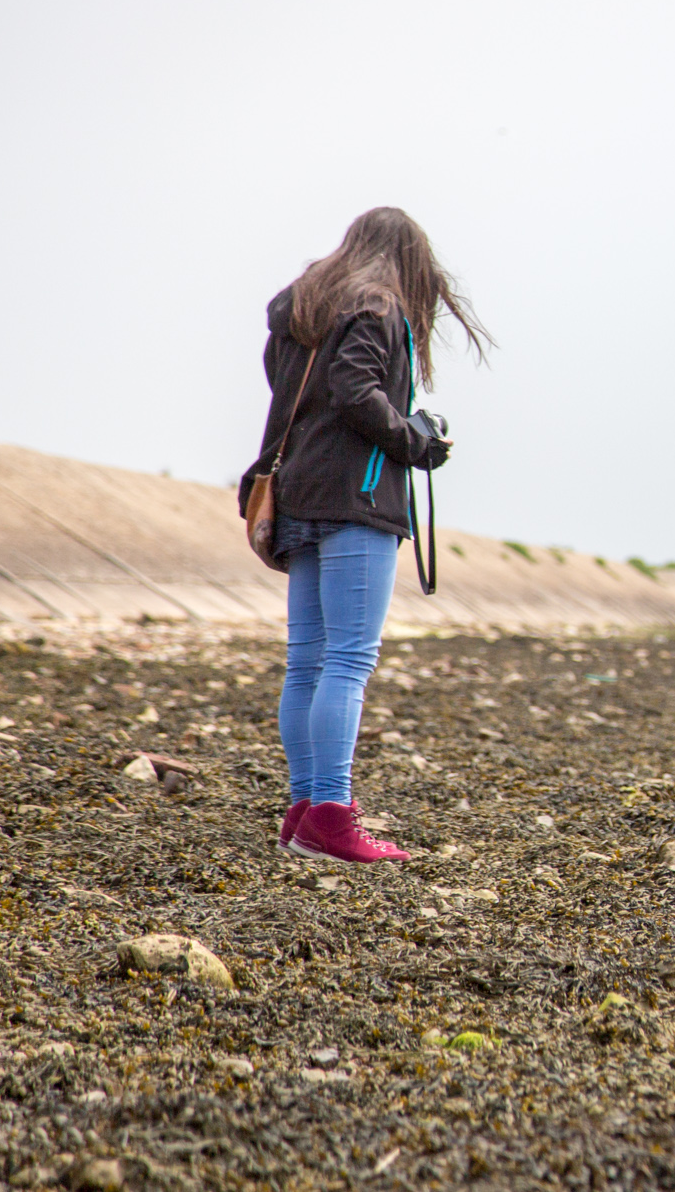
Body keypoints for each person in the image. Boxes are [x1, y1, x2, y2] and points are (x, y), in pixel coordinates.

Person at [239, 208, 488, 863]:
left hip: (296, 494)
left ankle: (303, 811)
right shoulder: (379, 308)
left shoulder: (307, 304)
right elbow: (356, 390)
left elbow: (297, 386)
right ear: (409, 262)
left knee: (309, 660)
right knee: (348, 659)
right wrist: (418, 440)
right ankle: (331, 813)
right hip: (357, 500)